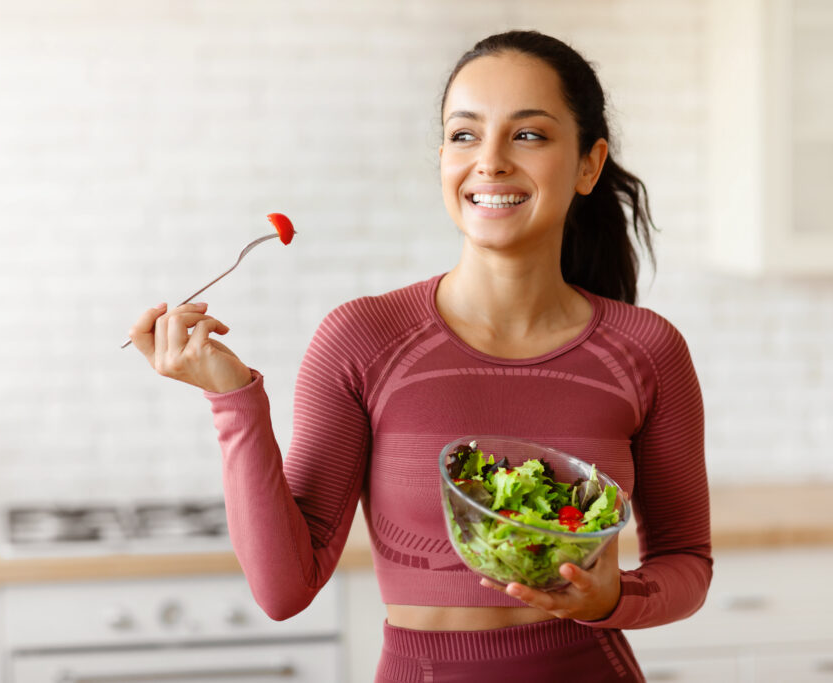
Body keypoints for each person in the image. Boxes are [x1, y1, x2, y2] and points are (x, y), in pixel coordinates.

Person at [129, 30, 711, 683]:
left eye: (529, 135)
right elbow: (283, 588)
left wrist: (614, 598)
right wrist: (232, 397)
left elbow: (686, 561)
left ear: (587, 164)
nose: (489, 161)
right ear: (442, 157)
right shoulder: (363, 339)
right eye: (465, 135)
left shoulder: (647, 351)